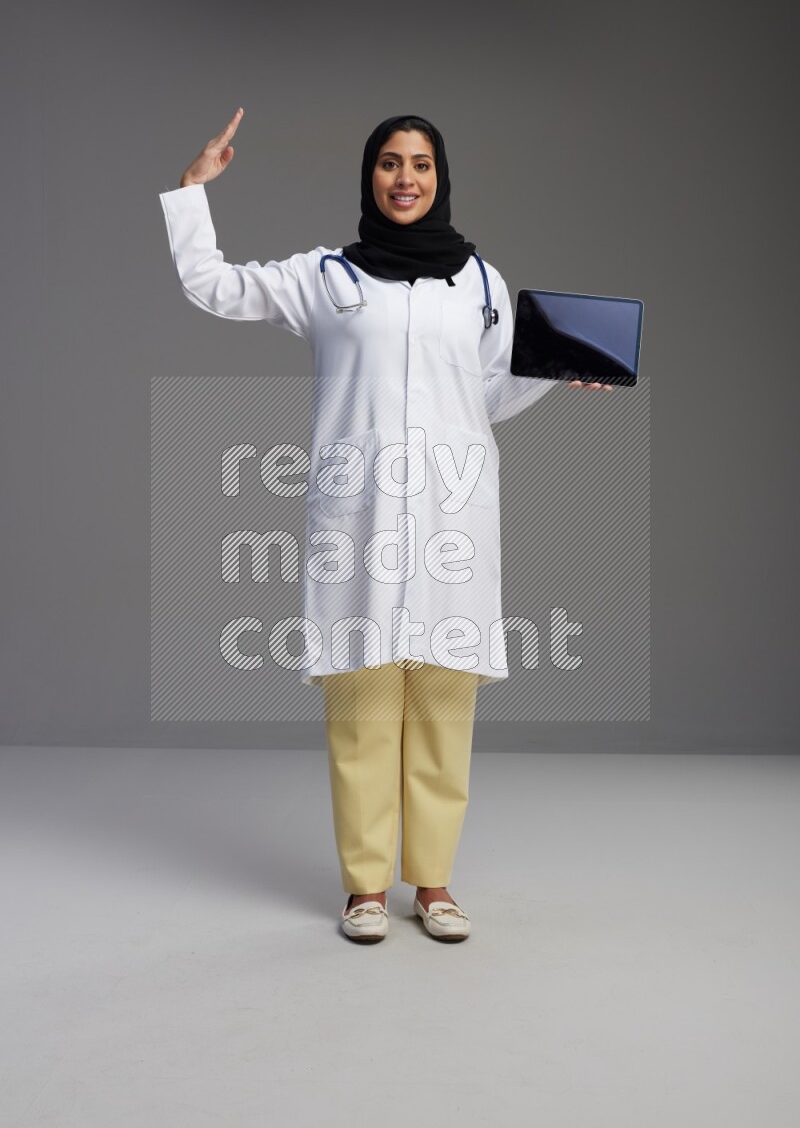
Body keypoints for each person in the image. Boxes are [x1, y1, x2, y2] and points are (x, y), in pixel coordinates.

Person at [159, 108, 612, 944]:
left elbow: (492, 392)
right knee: (363, 703)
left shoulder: (478, 283)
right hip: (358, 517)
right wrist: (193, 194)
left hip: (448, 514)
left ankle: (433, 884)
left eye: (422, 165)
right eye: (391, 163)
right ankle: (366, 887)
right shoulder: (325, 277)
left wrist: (561, 367)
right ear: (369, 175)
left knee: (443, 702)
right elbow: (216, 286)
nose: (406, 178)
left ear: (441, 179)